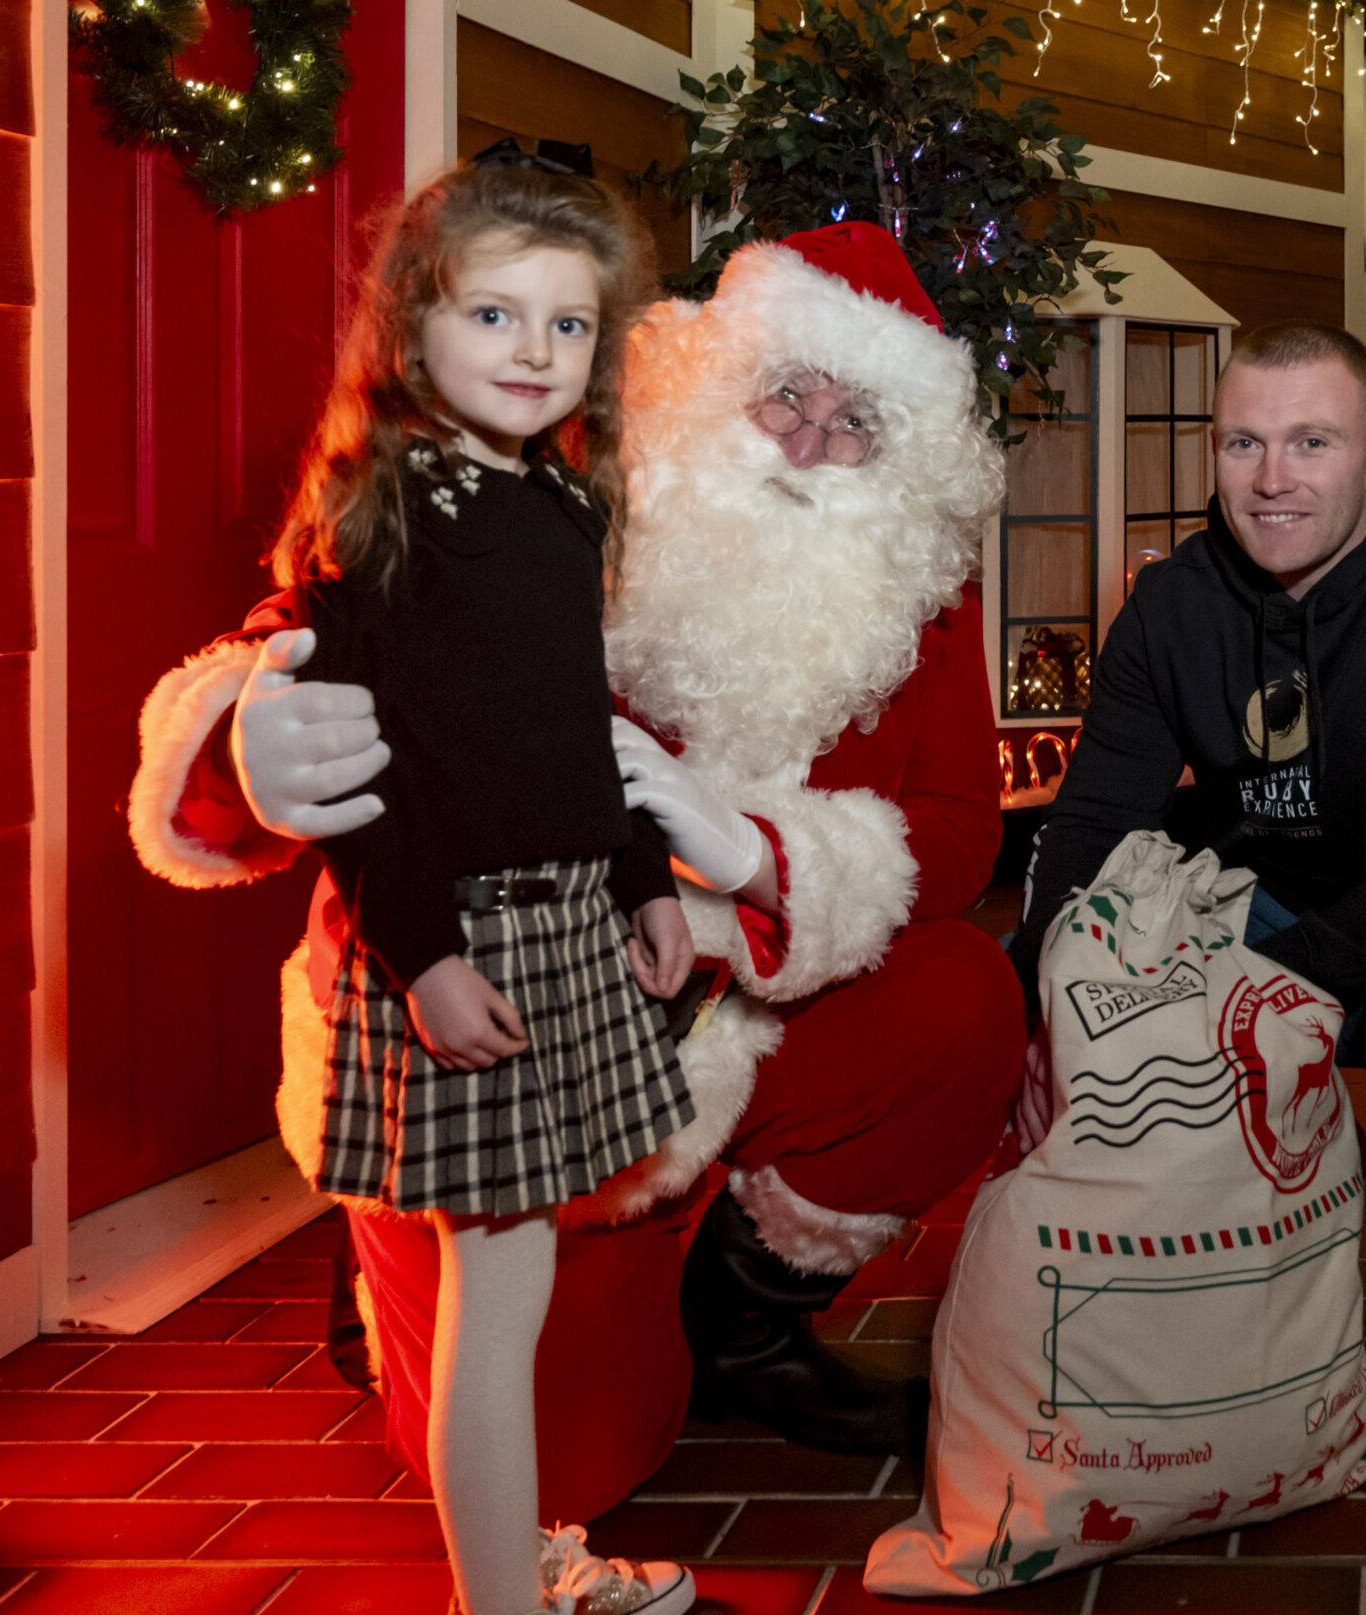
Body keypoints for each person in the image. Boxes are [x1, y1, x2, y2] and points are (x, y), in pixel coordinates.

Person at [127, 221, 1021, 1473]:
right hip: (508, 1018)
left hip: (722, 1019)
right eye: (783, 397)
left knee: (965, 1000)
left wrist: (757, 852)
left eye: (857, 421)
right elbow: (310, 624)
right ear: (714, 388)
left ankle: (739, 1327)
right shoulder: (557, 475)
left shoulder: (910, 574)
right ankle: (414, 1243)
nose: (812, 447)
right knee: (572, 1470)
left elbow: (965, 835)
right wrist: (247, 751)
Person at [245, 156, 710, 1615]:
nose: (533, 349)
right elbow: (361, 778)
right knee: (493, 1311)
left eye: (568, 326)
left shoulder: (549, 501)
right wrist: (425, 954)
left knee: (515, 1297)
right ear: (411, 321)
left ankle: (505, 1567)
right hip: (462, 947)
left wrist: (645, 872)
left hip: (568, 919)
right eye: (494, 311)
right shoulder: (381, 514)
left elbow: (566, 727)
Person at [1010, 321, 1366, 1380]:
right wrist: (1038, 1003)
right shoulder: (1174, 604)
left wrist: (1260, 997)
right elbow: (1093, 823)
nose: (1271, 481)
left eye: (1312, 444)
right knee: (1106, 976)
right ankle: (1292, 1166)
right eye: (1242, 444)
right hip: (1258, 900)